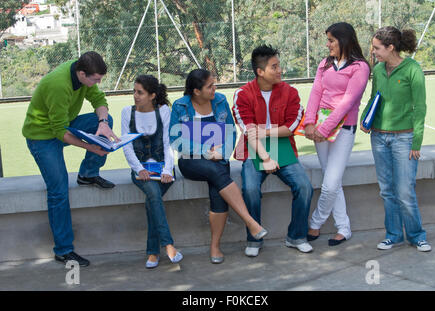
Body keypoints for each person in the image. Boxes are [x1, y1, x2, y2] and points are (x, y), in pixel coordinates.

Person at [22, 51, 119, 267]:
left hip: (65, 124)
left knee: (105, 120)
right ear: (82, 73)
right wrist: (92, 148)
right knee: (58, 190)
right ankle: (64, 251)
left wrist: (103, 122)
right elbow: (59, 132)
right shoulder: (58, 85)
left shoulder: (83, 73)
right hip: (42, 138)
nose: (98, 82)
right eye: (95, 79)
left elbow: (99, 100)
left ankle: (88, 175)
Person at [169, 69, 267, 264]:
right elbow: (176, 140)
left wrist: (222, 153)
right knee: (217, 173)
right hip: (191, 160)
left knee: (218, 189)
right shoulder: (180, 106)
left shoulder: (220, 101)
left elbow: (231, 132)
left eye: (214, 84)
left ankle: (215, 246)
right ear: (196, 91)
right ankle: (250, 221)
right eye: (210, 86)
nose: (215, 89)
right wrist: (207, 151)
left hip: (219, 157)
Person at [232, 44, 314, 257]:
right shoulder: (242, 94)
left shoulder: (291, 92)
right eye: (274, 67)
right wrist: (266, 158)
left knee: (304, 186)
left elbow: (291, 128)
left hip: (284, 147)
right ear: (260, 72)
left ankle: (296, 236)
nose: (280, 71)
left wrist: (265, 131)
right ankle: (254, 238)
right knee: (250, 189)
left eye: (279, 66)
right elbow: (249, 132)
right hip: (254, 150)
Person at [360, 26, 431, 252]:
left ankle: (417, 235)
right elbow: (374, 98)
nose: (374, 52)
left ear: (391, 47)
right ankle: (393, 234)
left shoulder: (413, 69)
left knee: (405, 191)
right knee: (387, 190)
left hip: (404, 138)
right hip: (379, 137)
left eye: (377, 48)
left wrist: (416, 141)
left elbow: (420, 107)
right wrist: (365, 119)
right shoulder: (379, 70)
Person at [304, 22, 370, 246]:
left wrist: (324, 129)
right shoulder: (325, 64)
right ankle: (344, 228)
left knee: (330, 184)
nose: (328, 44)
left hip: (342, 130)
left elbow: (347, 102)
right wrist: (310, 123)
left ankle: (315, 222)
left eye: (331, 40)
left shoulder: (360, 67)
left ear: (344, 40)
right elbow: (315, 93)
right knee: (333, 180)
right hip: (320, 131)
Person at [121, 75, 182, 269]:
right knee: (154, 194)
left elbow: (168, 143)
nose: (135, 96)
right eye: (134, 91)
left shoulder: (164, 111)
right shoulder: (126, 112)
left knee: (152, 201)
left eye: (140, 92)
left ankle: (153, 252)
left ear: (152, 95)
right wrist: (139, 168)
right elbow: (127, 146)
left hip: (163, 168)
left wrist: (167, 169)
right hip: (140, 170)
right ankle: (168, 245)